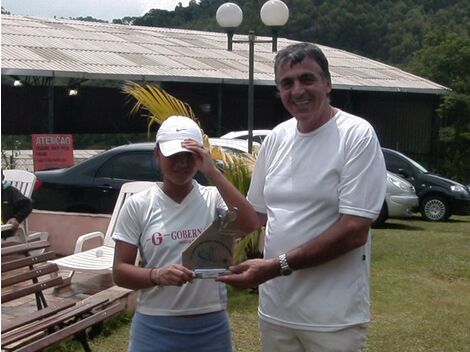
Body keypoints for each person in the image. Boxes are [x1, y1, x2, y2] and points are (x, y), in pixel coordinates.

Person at [217, 42, 387, 352]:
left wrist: (274, 267)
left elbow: (354, 231)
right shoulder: (276, 139)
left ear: (328, 83)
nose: (297, 90)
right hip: (276, 312)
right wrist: (197, 244)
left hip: (332, 318)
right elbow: (254, 217)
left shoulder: (356, 135)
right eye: (287, 83)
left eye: (307, 79)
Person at [111, 115, 259, 352]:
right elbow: (120, 271)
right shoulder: (139, 205)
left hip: (211, 324)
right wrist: (156, 275)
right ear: (157, 155)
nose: (181, 164)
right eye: (173, 156)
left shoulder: (214, 199)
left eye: (189, 156)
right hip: (154, 325)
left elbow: (250, 223)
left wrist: (213, 172)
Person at [1, 170, 33, 240]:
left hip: (3, 229)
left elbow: (27, 205)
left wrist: (16, 218)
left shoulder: (10, 191)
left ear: (2, 178)